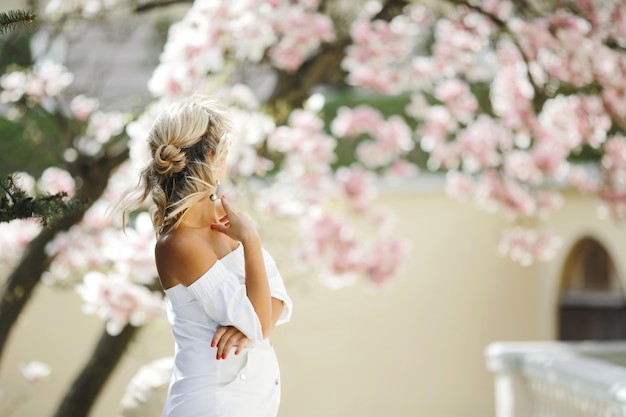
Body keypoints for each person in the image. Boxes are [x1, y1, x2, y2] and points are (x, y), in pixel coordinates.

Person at [124, 95, 292, 417]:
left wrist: (252, 321)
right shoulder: (179, 244)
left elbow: (279, 302)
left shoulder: (228, 223)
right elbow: (260, 321)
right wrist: (252, 241)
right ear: (214, 156)